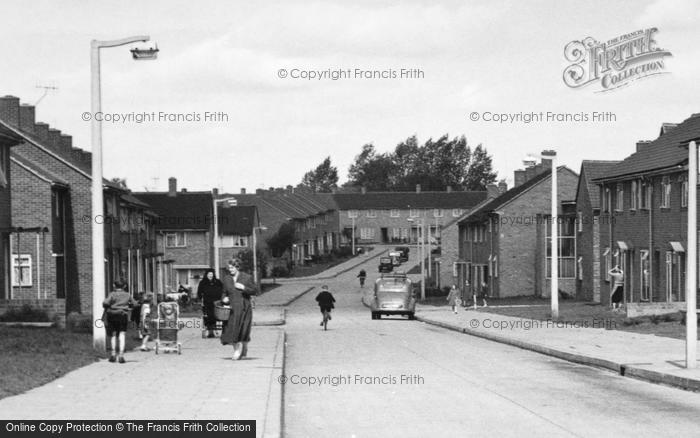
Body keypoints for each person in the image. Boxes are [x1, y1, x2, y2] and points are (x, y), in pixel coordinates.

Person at [220, 259, 258, 360]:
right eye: (229, 268)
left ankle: (244, 348)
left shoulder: (246, 277)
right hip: (232, 309)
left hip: (244, 308)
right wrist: (224, 298)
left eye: (232, 268)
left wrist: (243, 287)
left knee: (244, 330)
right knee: (232, 330)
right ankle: (236, 350)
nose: (230, 270)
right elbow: (224, 292)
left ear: (237, 267)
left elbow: (255, 290)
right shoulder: (227, 279)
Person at [103, 280, 135, 363]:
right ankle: (121, 355)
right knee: (122, 334)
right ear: (124, 286)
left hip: (112, 315)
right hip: (122, 315)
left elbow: (105, 302)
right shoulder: (128, 295)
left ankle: (113, 354)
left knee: (113, 334)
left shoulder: (112, 294)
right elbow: (134, 304)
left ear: (114, 286)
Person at [197, 268, 223, 338]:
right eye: (209, 274)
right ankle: (210, 331)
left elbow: (222, 290)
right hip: (207, 302)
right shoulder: (203, 282)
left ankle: (214, 330)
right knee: (208, 315)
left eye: (212, 274)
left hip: (216, 302)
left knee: (216, 315)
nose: (210, 275)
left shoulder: (218, 282)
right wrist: (200, 298)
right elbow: (199, 292)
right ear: (206, 275)